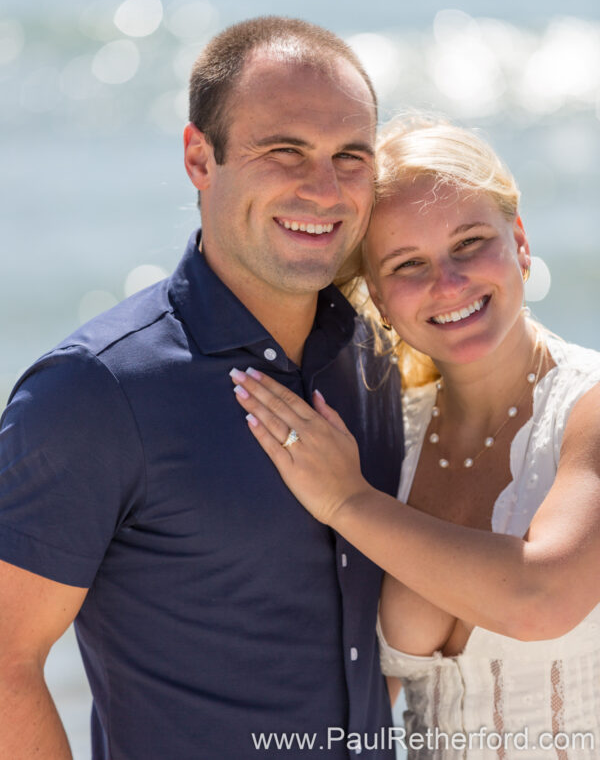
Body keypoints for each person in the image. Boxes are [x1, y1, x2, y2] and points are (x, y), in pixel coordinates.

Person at [0, 17, 403, 760]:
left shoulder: (374, 360)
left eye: (351, 156)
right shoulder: (97, 392)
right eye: (284, 151)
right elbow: (5, 661)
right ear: (199, 158)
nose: (324, 188)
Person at [230, 116, 600, 759]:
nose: (448, 283)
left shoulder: (585, 409)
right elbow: (359, 701)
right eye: (408, 264)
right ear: (377, 292)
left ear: (519, 240)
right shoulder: (388, 435)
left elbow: (543, 598)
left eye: (469, 242)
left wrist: (347, 503)